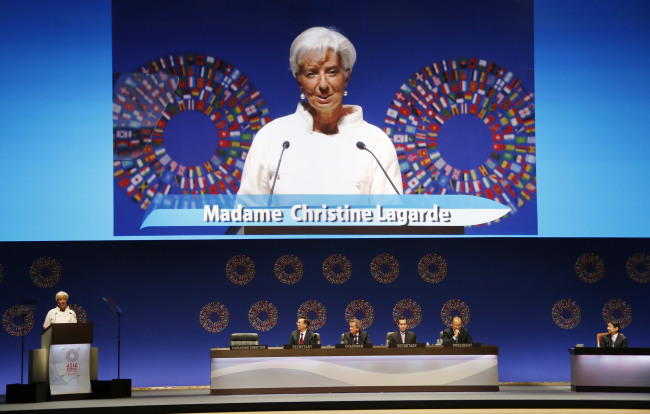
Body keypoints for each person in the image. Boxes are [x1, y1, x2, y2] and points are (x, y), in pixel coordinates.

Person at [238, 26, 402, 195]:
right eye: (311, 73)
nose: (323, 84)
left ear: (346, 77)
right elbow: (247, 215)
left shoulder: (374, 143)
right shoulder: (272, 137)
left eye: (332, 72)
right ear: (299, 81)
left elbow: (390, 218)